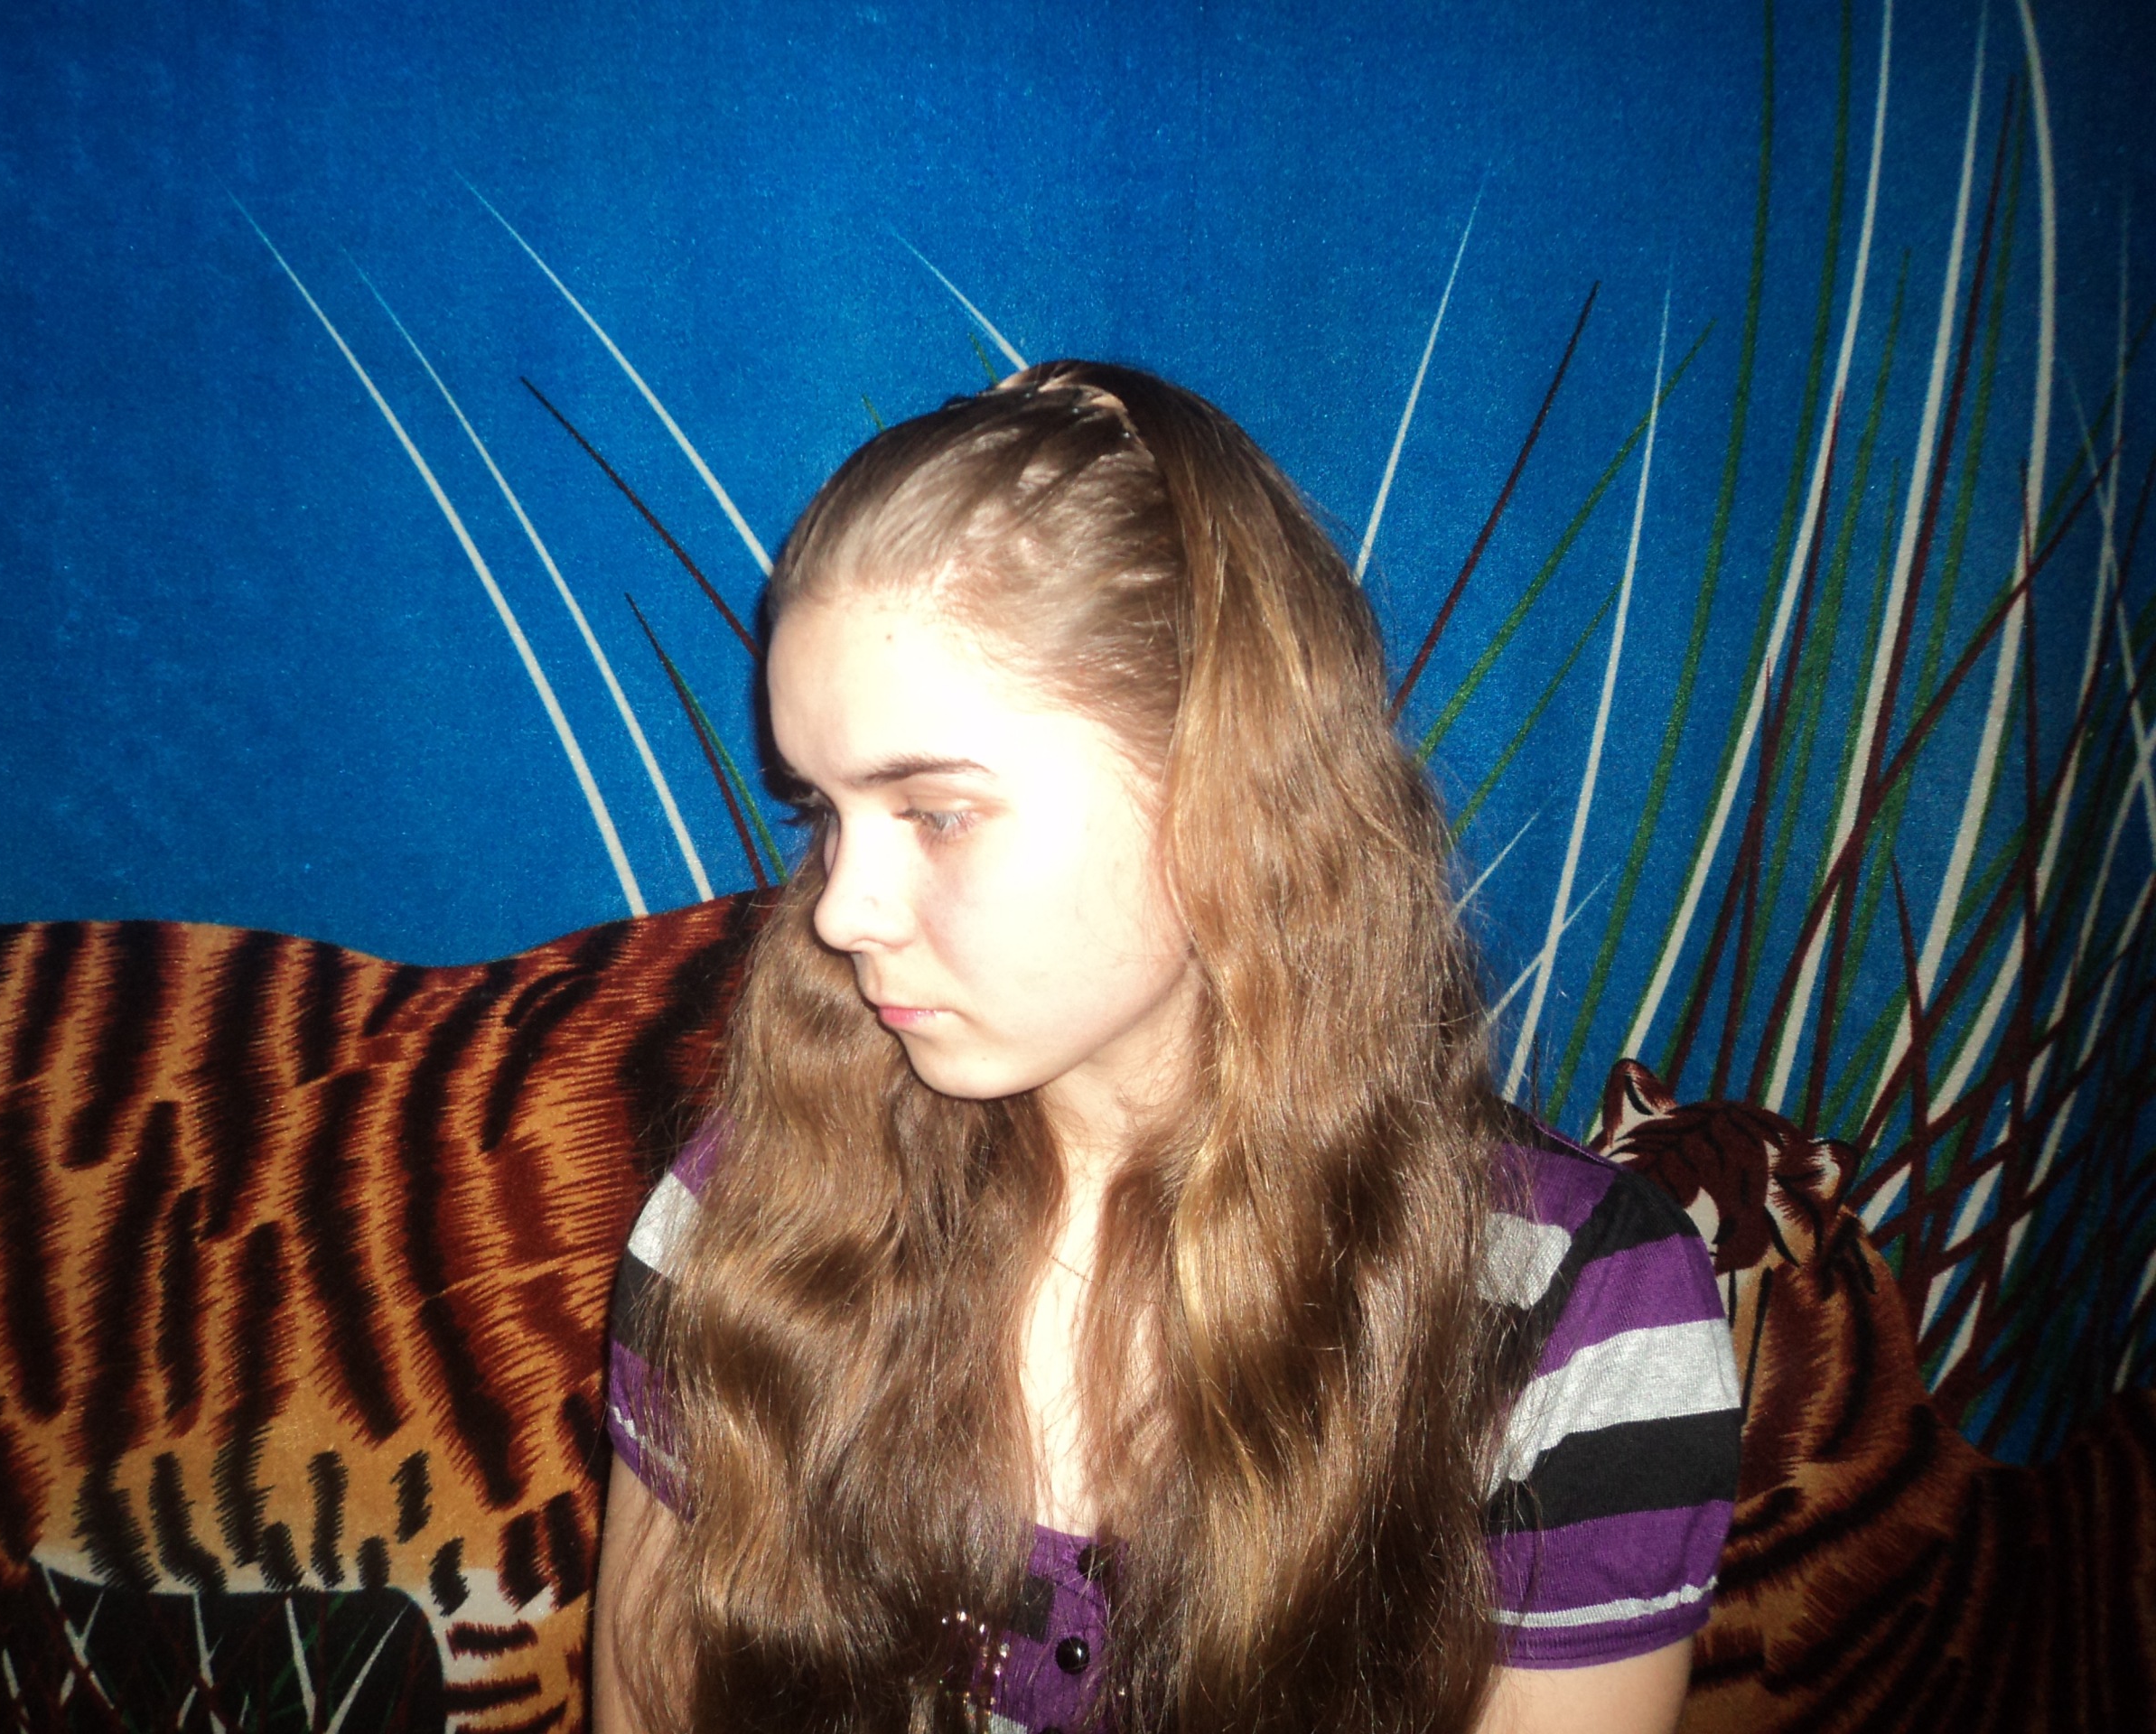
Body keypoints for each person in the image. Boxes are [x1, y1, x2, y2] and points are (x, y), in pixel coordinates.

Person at [591, 361, 1739, 1733]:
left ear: (1222, 776)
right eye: (825, 814)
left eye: (937, 813)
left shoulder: (1571, 1316)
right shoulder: (749, 1223)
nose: (839, 909)